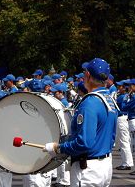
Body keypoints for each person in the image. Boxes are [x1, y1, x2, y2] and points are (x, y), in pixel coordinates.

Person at [44, 58, 118, 186]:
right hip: (104, 165)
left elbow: (84, 143)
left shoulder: (90, 102)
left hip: (88, 170)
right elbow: (111, 137)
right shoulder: (109, 99)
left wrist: (58, 148)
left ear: (88, 75)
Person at [114, 80, 134, 170]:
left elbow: (121, 107)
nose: (118, 88)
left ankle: (127, 163)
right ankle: (126, 162)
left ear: (124, 88)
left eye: (120, 86)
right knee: (124, 141)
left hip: (123, 118)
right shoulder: (124, 96)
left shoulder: (123, 96)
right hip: (124, 118)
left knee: (124, 141)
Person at [122, 78, 135, 175]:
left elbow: (124, 107)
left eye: (132, 85)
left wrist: (125, 98)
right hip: (133, 121)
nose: (129, 87)